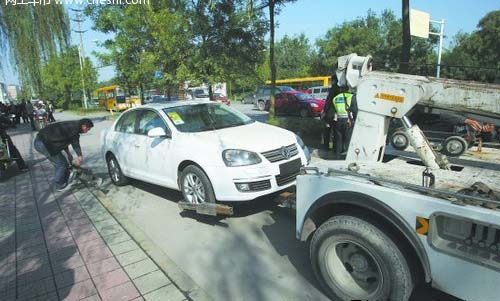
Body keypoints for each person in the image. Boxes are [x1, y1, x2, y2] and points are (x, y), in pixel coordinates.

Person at [33, 118, 94, 191]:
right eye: (88, 129)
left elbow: (64, 140)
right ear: (84, 126)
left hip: (43, 142)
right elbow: (75, 144)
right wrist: (80, 157)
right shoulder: (74, 129)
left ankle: (63, 180)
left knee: (59, 164)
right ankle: (59, 185)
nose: (87, 131)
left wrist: (68, 153)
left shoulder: (73, 125)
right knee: (62, 164)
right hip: (44, 144)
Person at [332, 86, 357, 159]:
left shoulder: (335, 98)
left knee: (338, 140)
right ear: (348, 90)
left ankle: (337, 157)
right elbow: (354, 110)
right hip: (347, 121)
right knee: (348, 140)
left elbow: (334, 110)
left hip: (338, 121)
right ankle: (347, 158)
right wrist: (355, 120)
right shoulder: (351, 97)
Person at [321, 74, 341, 150]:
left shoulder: (332, 89)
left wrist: (324, 112)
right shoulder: (340, 89)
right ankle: (335, 148)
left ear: (333, 80)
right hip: (337, 114)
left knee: (327, 131)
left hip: (330, 113)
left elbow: (328, 102)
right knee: (335, 132)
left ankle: (326, 146)